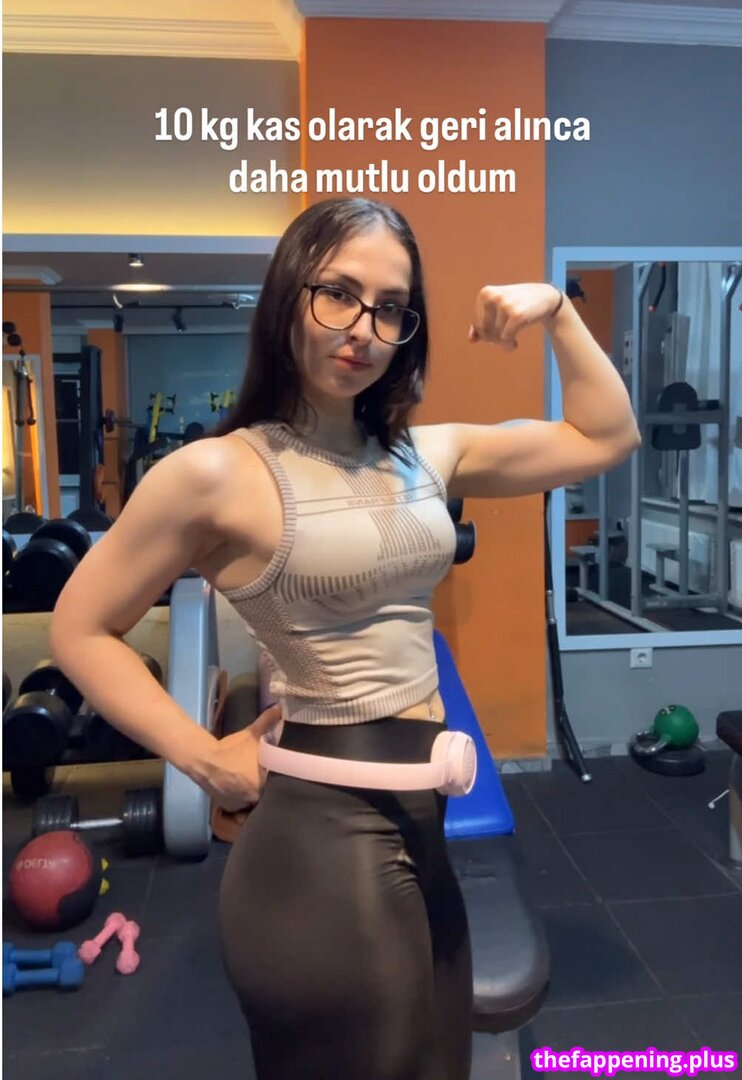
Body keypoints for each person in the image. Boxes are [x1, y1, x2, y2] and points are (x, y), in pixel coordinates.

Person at [50, 197, 640, 1080]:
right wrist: (204, 759)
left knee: (441, 1063)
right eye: (338, 293)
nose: (364, 327)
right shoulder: (215, 473)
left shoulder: (425, 454)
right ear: (288, 295)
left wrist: (556, 309)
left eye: (391, 307)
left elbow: (606, 435)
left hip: (424, 813)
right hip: (321, 836)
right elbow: (79, 628)